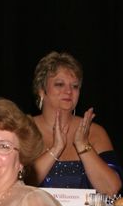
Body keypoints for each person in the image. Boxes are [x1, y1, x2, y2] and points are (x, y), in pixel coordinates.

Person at [30, 51, 122, 195]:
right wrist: (56, 149)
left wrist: (83, 145)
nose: (68, 91)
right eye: (59, 84)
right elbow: (17, 187)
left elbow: (111, 190)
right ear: (41, 91)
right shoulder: (22, 129)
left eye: (75, 86)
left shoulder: (95, 132)